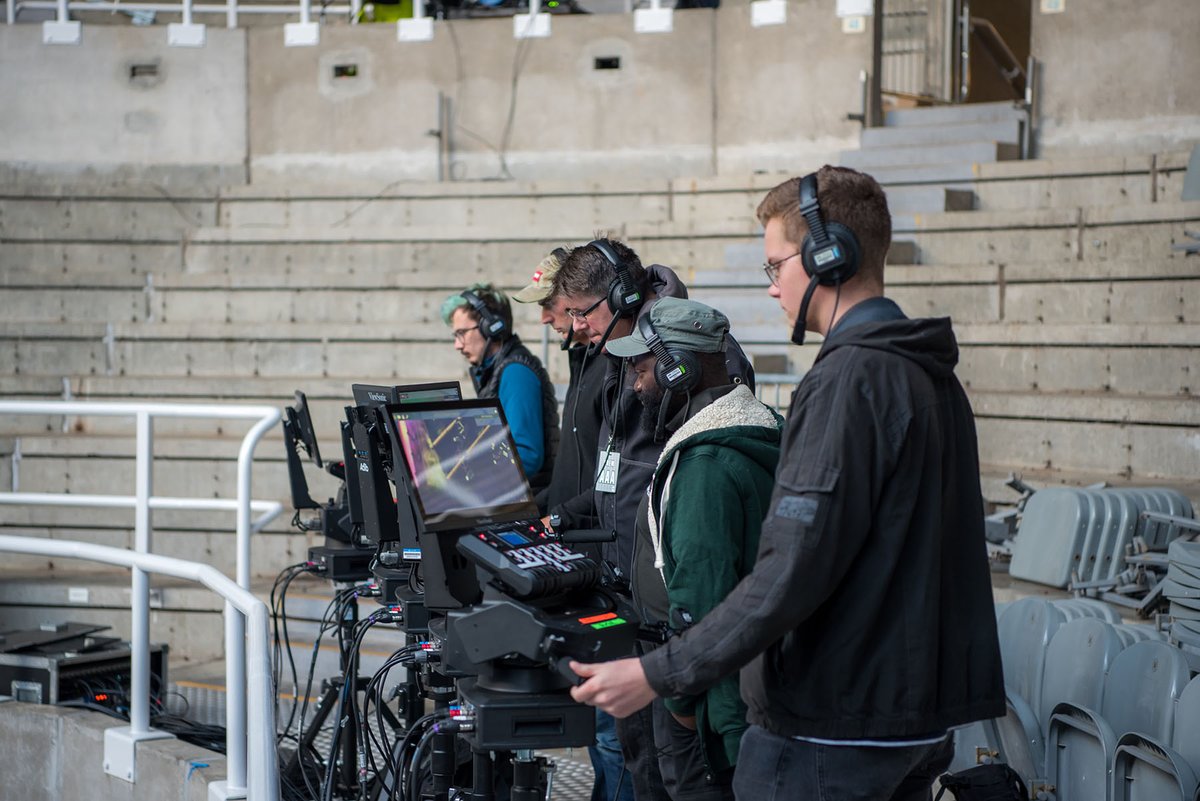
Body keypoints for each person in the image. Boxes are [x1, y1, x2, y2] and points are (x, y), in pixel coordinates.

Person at [568, 166, 1006, 801]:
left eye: (776, 265)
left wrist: (658, 673)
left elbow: (788, 572)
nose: (771, 287)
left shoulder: (847, 381)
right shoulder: (926, 371)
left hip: (835, 733)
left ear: (830, 257)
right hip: (910, 723)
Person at [549, 238, 755, 801]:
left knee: (675, 771)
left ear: (619, 295)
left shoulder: (686, 357)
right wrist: (561, 518)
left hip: (675, 620)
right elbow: (617, 474)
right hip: (629, 602)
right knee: (639, 761)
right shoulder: (619, 353)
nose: (575, 328)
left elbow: (694, 501)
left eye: (580, 312)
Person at [604, 297, 782, 801]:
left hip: (707, 711)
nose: (635, 383)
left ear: (676, 369)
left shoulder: (704, 465)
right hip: (740, 695)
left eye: (641, 368)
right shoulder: (759, 420)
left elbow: (702, 597)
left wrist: (681, 702)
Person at [441, 282, 559, 497]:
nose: (457, 345)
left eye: (462, 333)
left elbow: (526, 456)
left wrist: (468, 478)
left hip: (529, 501)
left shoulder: (516, 373)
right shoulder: (497, 370)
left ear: (492, 326)